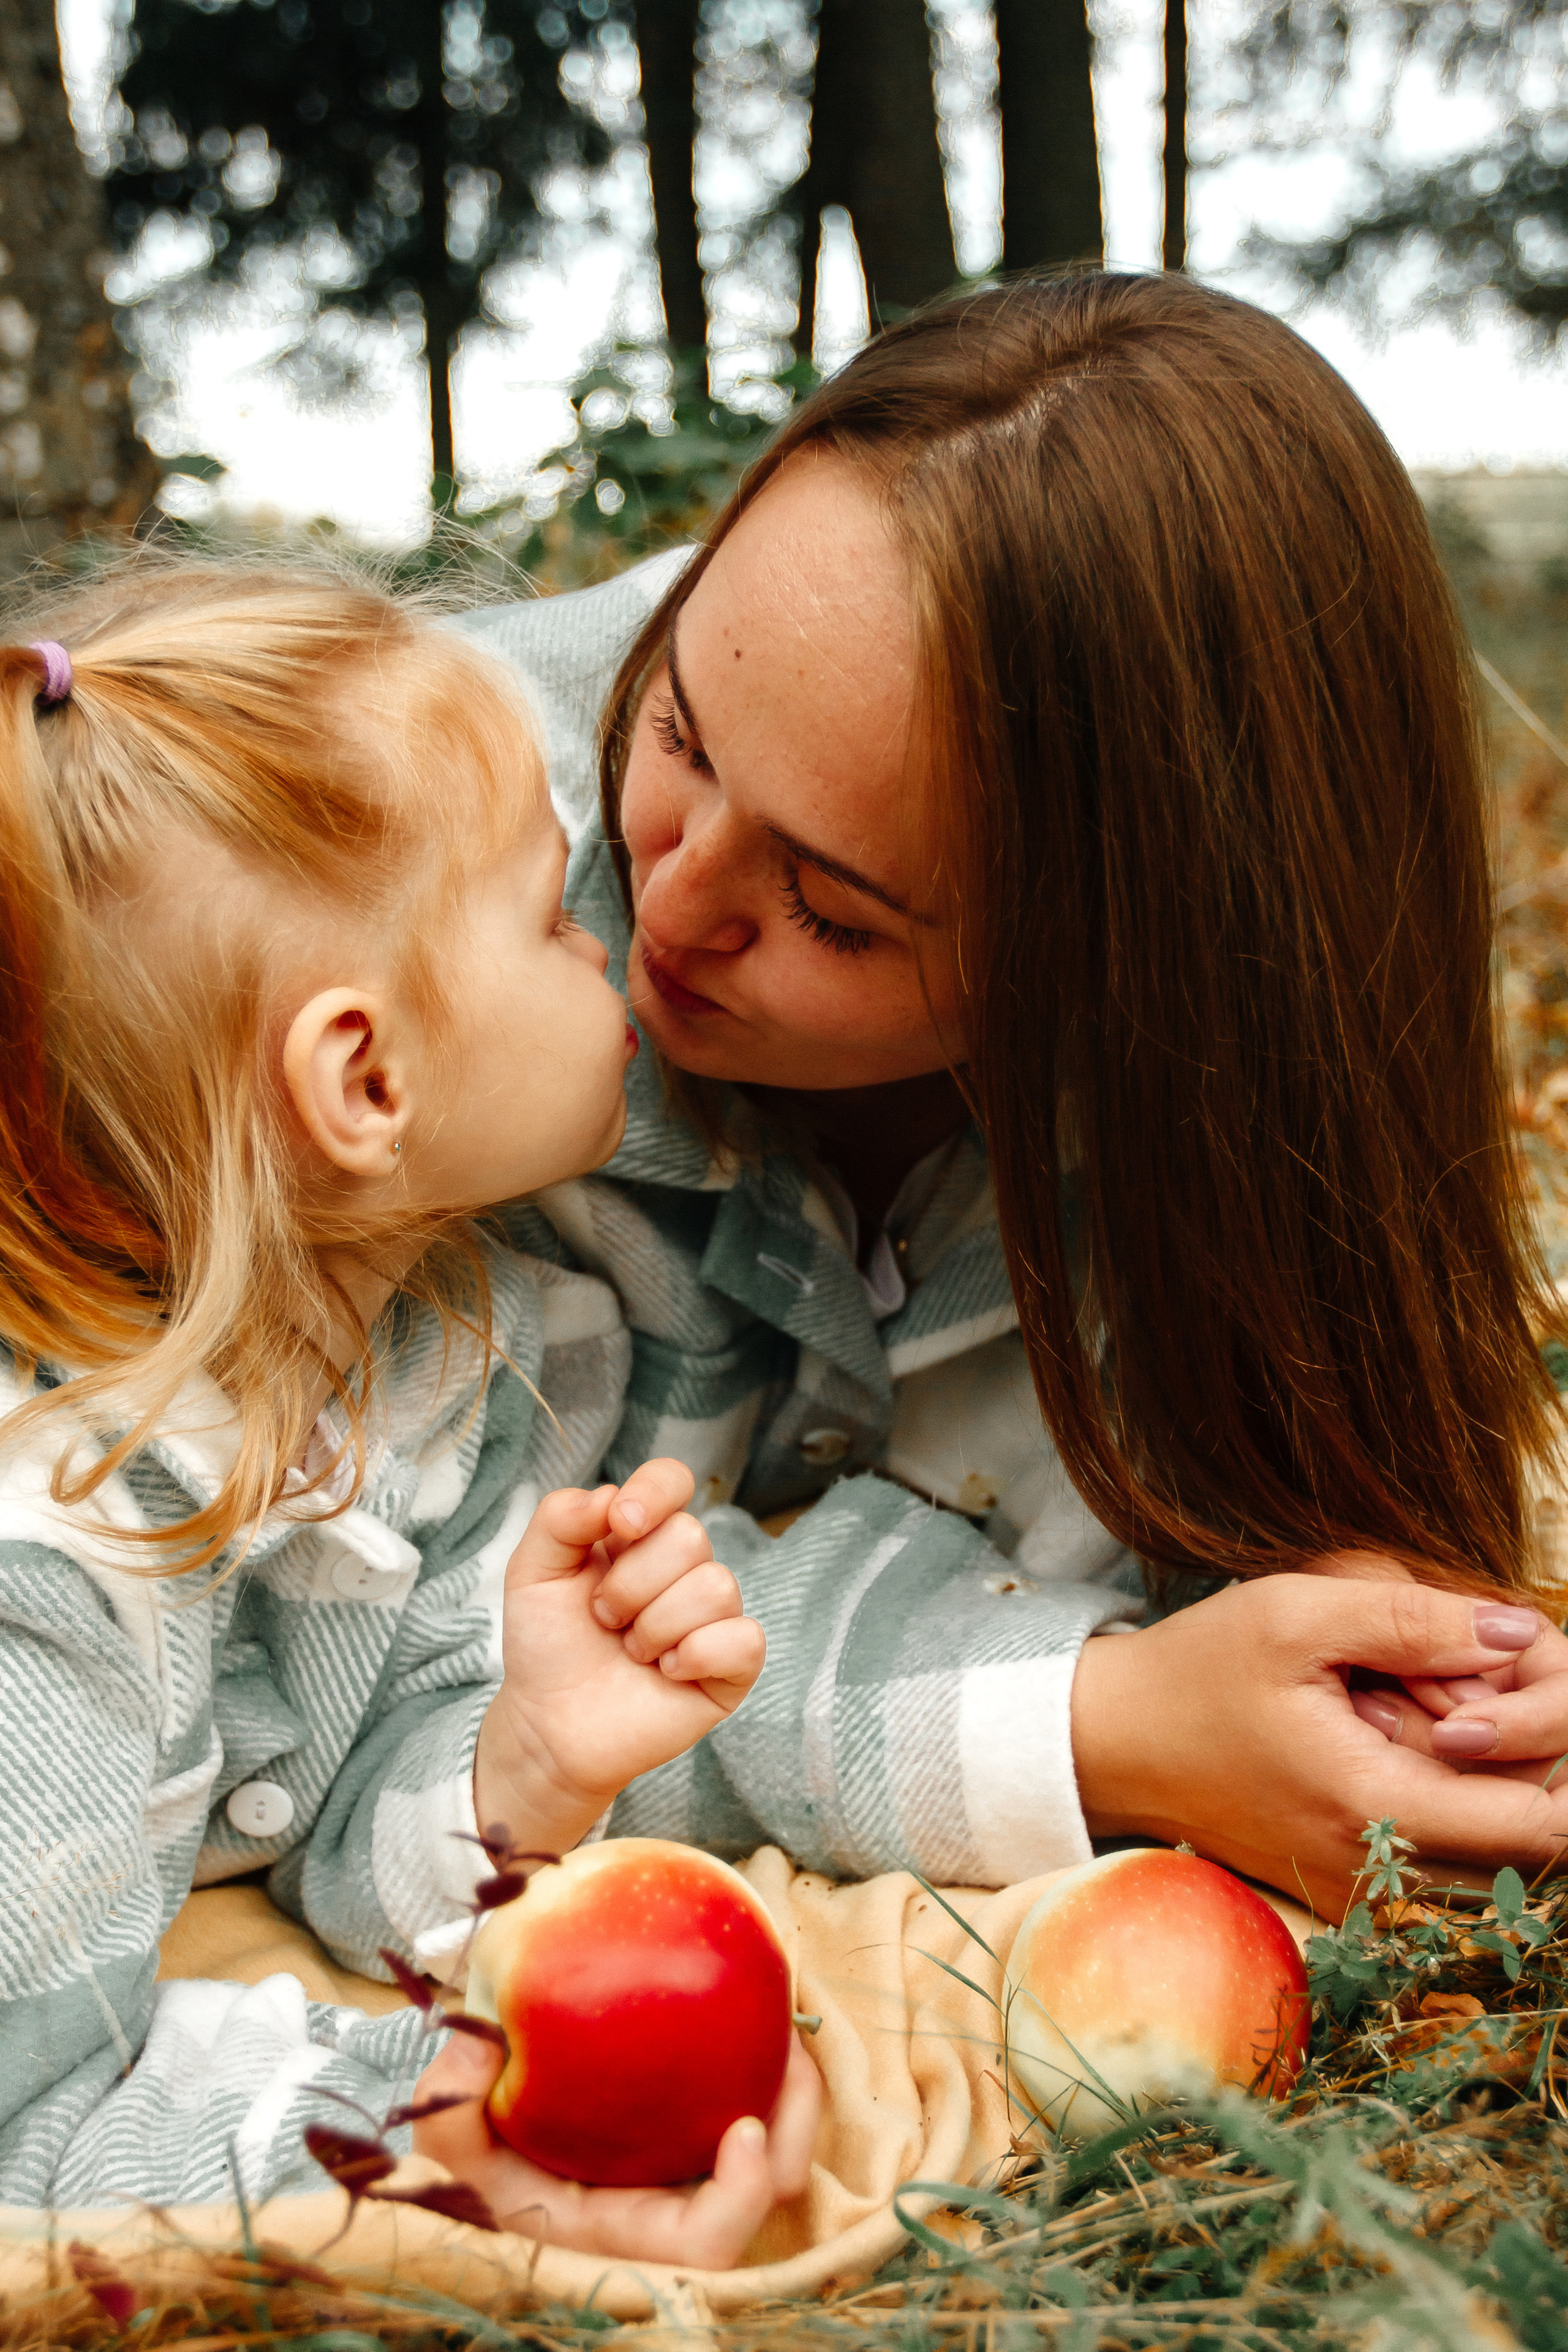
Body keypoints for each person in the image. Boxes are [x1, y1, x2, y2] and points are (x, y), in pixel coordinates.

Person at [461, 270, 1568, 1920]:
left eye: (838, 911)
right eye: (679, 729)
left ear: (1139, 980)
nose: (668, 911)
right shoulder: (398, 902)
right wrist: (1099, 1725)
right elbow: (388, 1671)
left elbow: (1282, 1505)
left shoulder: (1230, 1093)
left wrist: (1398, 1664)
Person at [0, 561, 818, 2258]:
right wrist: (431, 2135)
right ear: (365, 1082)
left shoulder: (451, 1364)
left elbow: (350, 1836)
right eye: (545, 911)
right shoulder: (44, 1565)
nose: (614, 930)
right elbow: (27, 2134)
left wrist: (516, 1762)